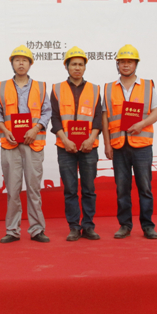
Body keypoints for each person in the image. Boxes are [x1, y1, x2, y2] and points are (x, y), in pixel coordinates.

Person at [0, 45, 52, 243]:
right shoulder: (2, 87)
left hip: (33, 144)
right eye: (17, 60)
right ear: (12, 63)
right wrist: (5, 129)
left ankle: (37, 229)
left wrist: (36, 129)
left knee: (34, 189)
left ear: (30, 64)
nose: (21, 63)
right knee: (13, 189)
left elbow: (47, 112)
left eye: (24, 60)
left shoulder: (40, 87)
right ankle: (12, 230)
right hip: (10, 144)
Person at [102, 44, 157, 240]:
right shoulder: (109, 88)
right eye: (122, 62)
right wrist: (107, 144)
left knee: (145, 187)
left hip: (142, 145)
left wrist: (141, 124)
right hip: (119, 146)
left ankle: (148, 226)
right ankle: (125, 225)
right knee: (122, 189)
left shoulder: (147, 86)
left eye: (130, 62)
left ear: (136, 64)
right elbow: (105, 118)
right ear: (117, 64)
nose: (126, 65)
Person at [51, 47, 102, 242]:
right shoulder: (57, 89)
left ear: (85, 67)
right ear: (66, 66)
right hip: (65, 148)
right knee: (70, 189)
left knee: (89, 189)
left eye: (81, 64)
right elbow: (55, 118)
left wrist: (91, 139)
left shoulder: (95, 89)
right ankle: (73, 227)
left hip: (89, 147)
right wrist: (65, 140)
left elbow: (98, 118)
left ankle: (88, 226)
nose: (77, 68)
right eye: (73, 64)